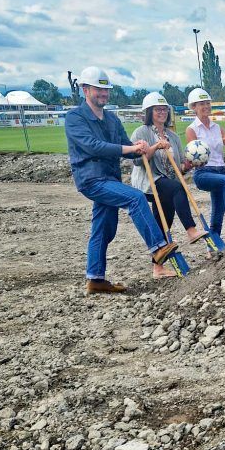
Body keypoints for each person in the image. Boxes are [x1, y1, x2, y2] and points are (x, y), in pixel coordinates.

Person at [64, 66, 178, 294]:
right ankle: (157, 247)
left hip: (109, 178)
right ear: (86, 90)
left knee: (104, 229)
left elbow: (128, 148)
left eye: (106, 90)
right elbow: (93, 146)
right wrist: (130, 147)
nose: (103, 94)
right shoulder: (75, 118)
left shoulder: (112, 119)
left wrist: (141, 149)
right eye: (98, 89)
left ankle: (95, 279)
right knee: (136, 198)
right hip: (91, 179)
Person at [130, 92, 208, 278]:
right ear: (149, 111)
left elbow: (179, 168)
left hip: (166, 182)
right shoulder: (141, 132)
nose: (162, 112)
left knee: (164, 218)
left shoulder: (173, 136)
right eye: (158, 109)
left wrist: (190, 165)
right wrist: (155, 146)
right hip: (148, 182)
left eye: (164, 109)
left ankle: (158, 268)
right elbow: (138, 161)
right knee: (177, 188)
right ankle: (191, 230)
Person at [185, 88, 225, 240]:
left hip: (220, 171)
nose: (205, 107)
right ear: (194, 107)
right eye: (201, 104)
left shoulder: (218, 128)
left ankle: (213, 242)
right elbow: (194, 157)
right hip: (203, 173)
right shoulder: (191, 129)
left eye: (207, 103)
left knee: (218, 210)